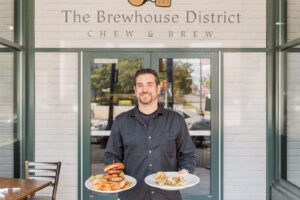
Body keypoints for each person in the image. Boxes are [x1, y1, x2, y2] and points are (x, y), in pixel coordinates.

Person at [104, 68, 196, 200]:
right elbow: (111, 155)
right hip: (132, 195)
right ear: (135, 90)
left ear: (158, 89)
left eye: (149, 85)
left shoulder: (176, 120)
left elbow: (187, 155)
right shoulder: (121, 121)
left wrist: (185, 171)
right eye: (140, 85)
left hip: (167, 196)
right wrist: (117, 176)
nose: (144, 89)